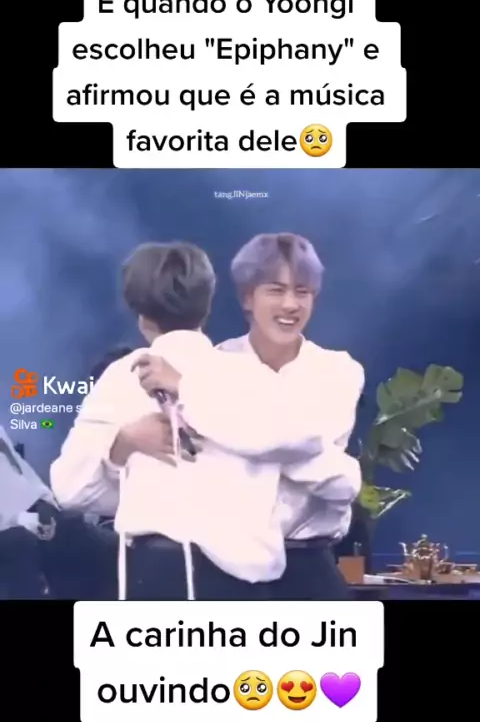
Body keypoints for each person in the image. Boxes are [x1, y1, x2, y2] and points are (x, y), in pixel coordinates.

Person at [50, 240, 361, 600]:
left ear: (140, 314)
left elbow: (70, 490)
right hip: (240, 585)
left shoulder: (123, 377)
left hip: (151, 578)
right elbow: (306, 445)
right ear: (209, 305)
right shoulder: (247, 374)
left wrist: (124, 445)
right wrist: (129, 441)